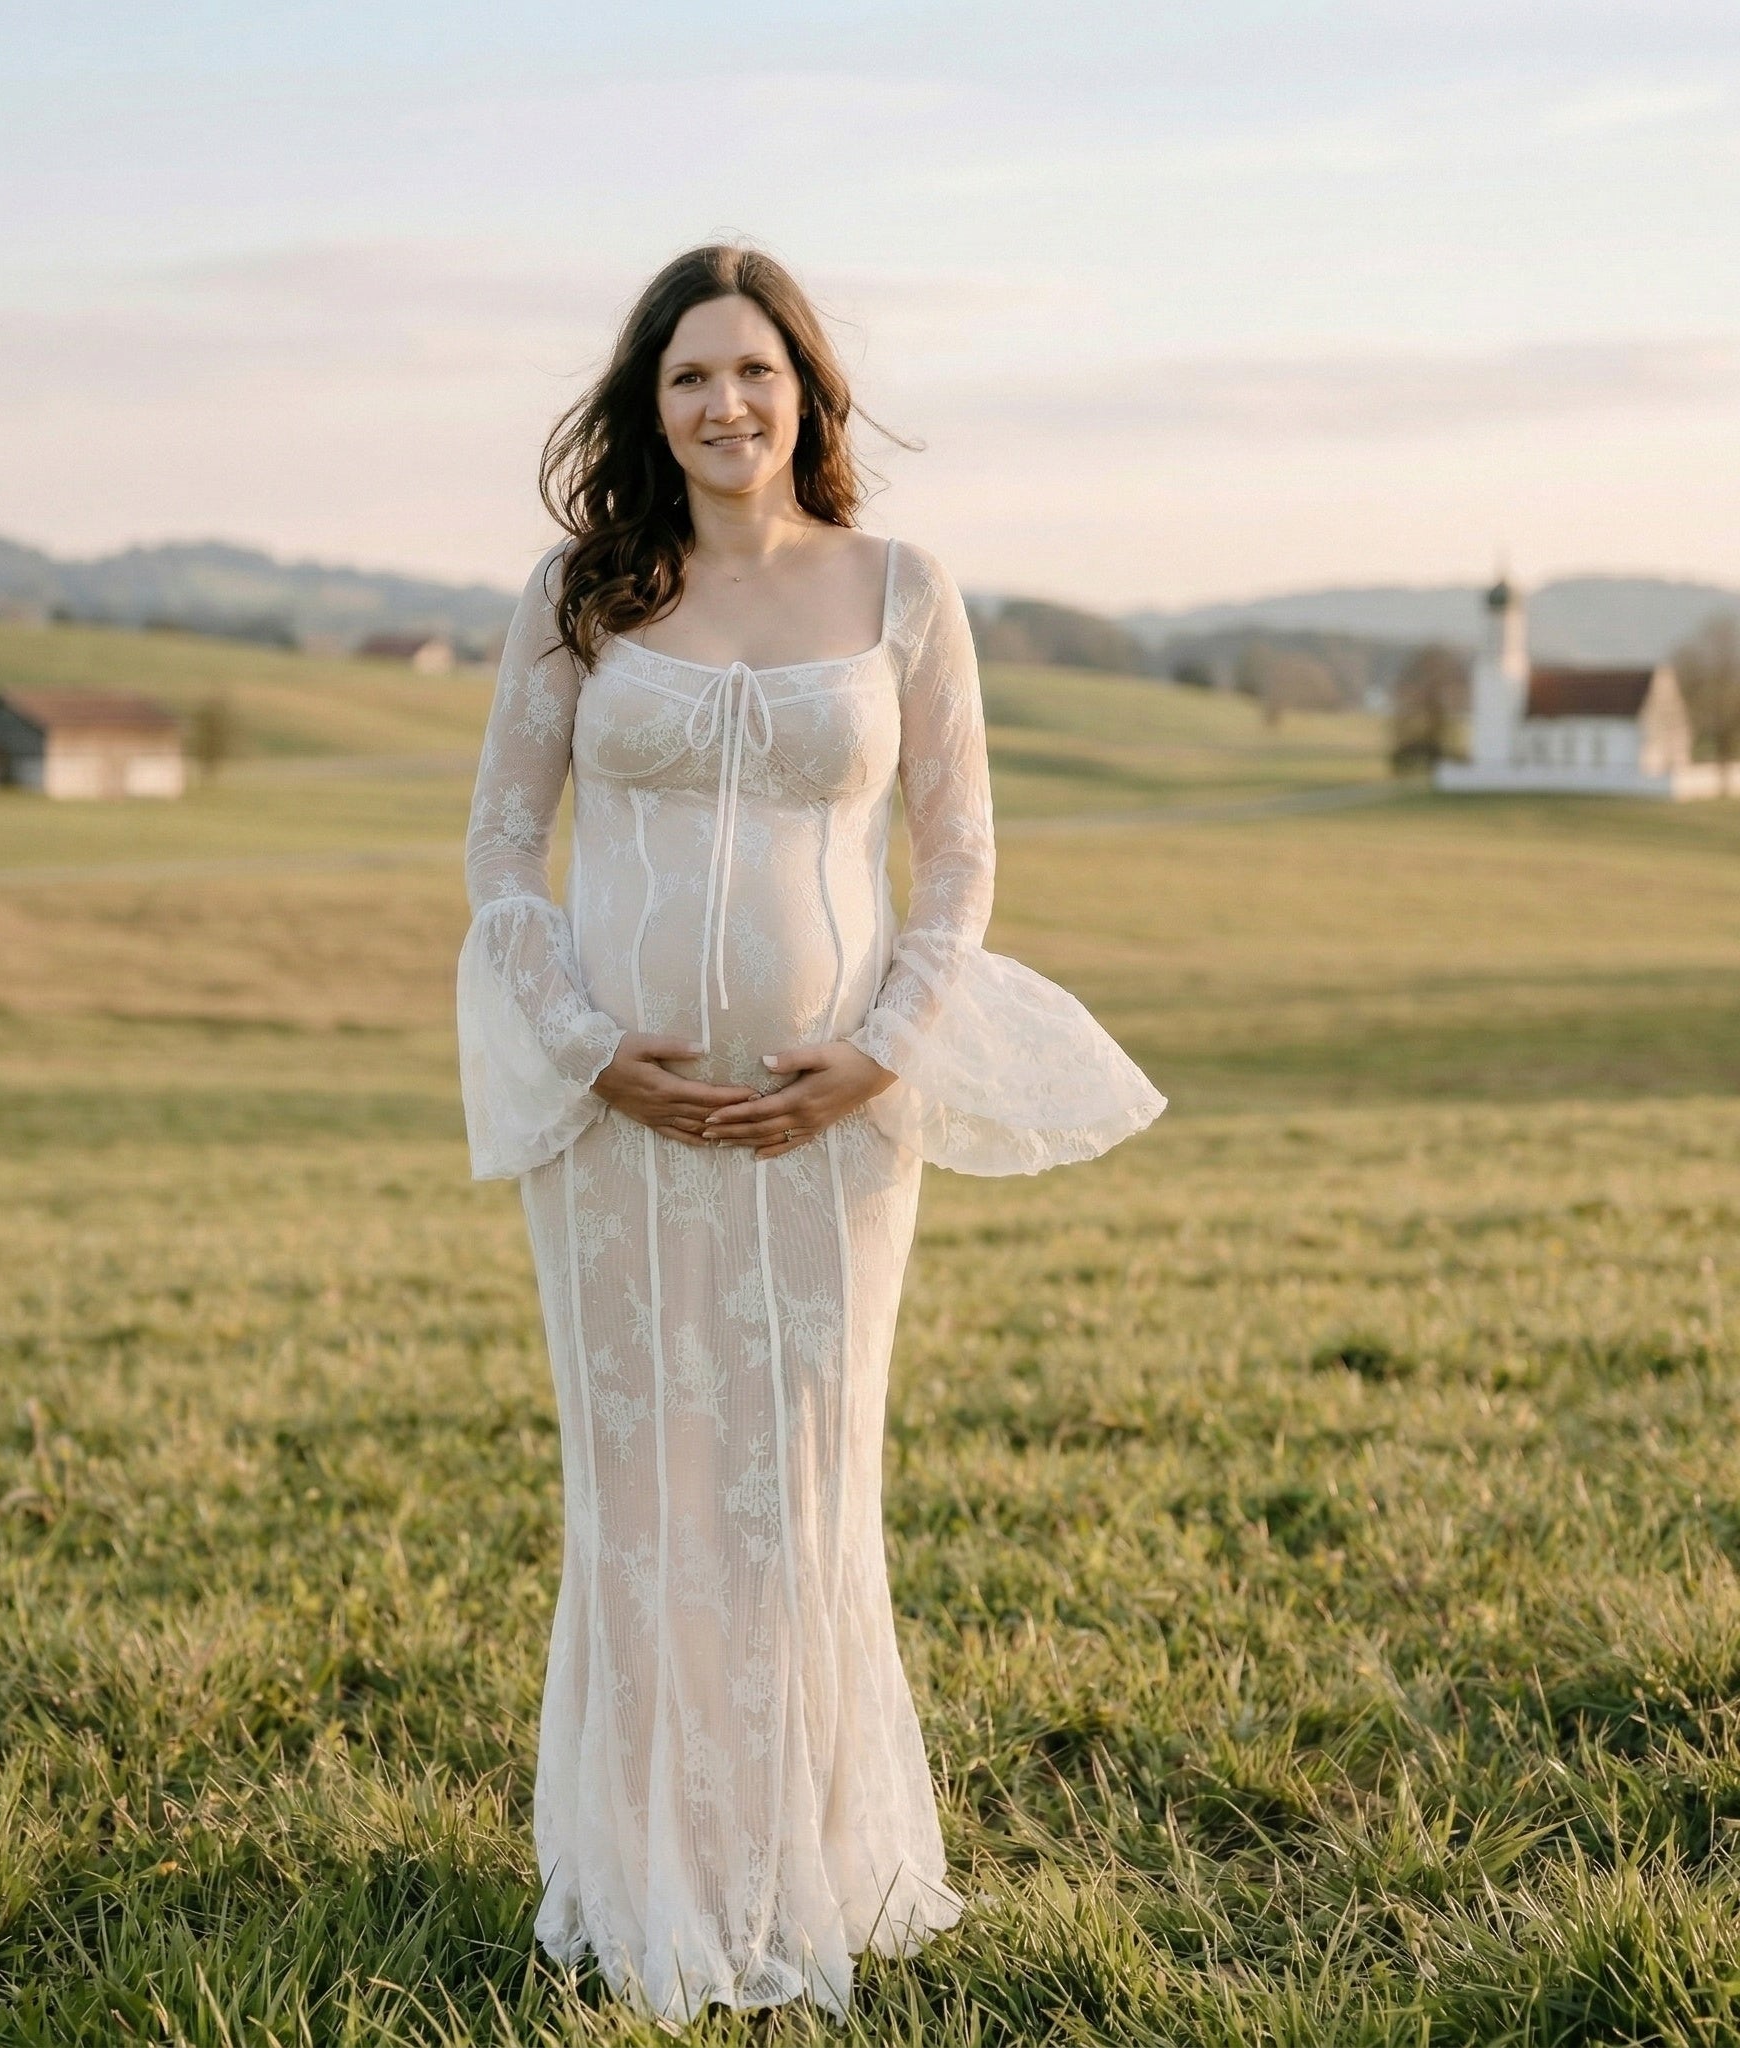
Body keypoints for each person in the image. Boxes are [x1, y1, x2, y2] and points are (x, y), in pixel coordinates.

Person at [457, 243, 1165, 2022]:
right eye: (690, 378)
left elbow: (964, 855)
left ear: (808, 390)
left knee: (799, 1484)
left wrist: (883, 1051)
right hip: (620, 1120)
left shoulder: (903, 589)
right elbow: (497, 855)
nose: (725, 405)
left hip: (839, 1126)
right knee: (648, 1489)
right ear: (649, 405)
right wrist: (592, 1049)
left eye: (755, 372)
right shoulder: (580, 591)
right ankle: (647, 1877)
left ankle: (809, 1864)